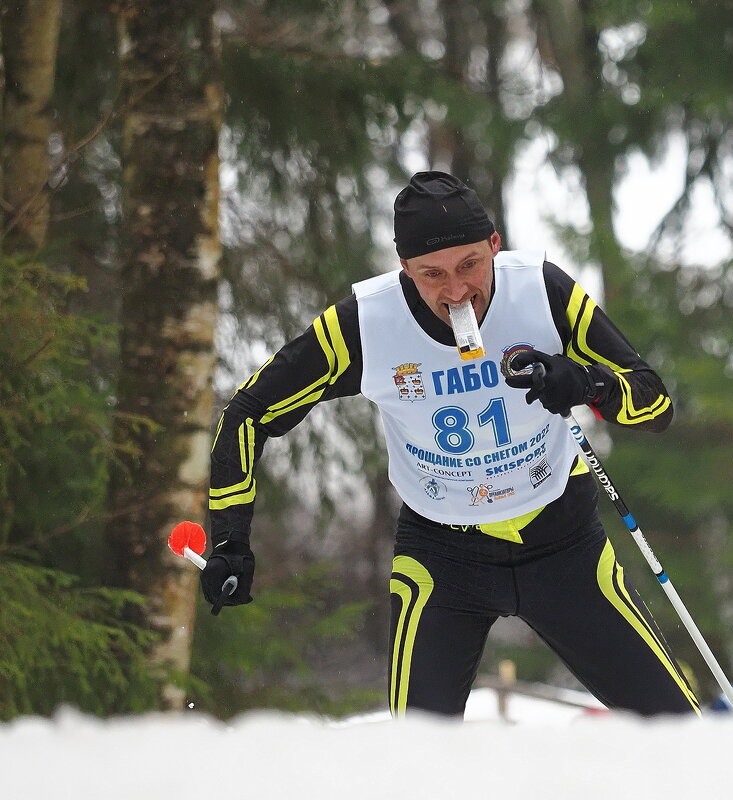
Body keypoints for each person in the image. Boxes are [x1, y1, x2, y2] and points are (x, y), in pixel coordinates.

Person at [200, 170, 700, 718]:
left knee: (678, 732)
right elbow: (249, 412)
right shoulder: (368, 323)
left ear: (494, 245)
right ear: (404, 269)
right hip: (443, 555)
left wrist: (585, 383)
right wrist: (230, 540)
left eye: (469, 265)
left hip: (562, 543)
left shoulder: (540, 289)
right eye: (431, 274)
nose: (456, 290)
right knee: (419, 759)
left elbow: (655, 407)